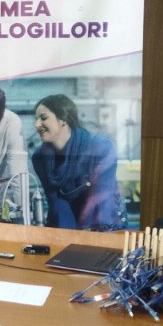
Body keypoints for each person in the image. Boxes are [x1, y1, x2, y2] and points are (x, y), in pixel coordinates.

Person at [31, 94, 124, 230]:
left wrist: (87, 235)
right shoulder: (40, 158)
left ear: (63, 119)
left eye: (43, 118)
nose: (37, 125)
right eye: (36, 119)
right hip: (70, 228)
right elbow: (57, 206)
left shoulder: (100, 148)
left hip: (104, 224)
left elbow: (101, 202)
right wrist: (62, 237)